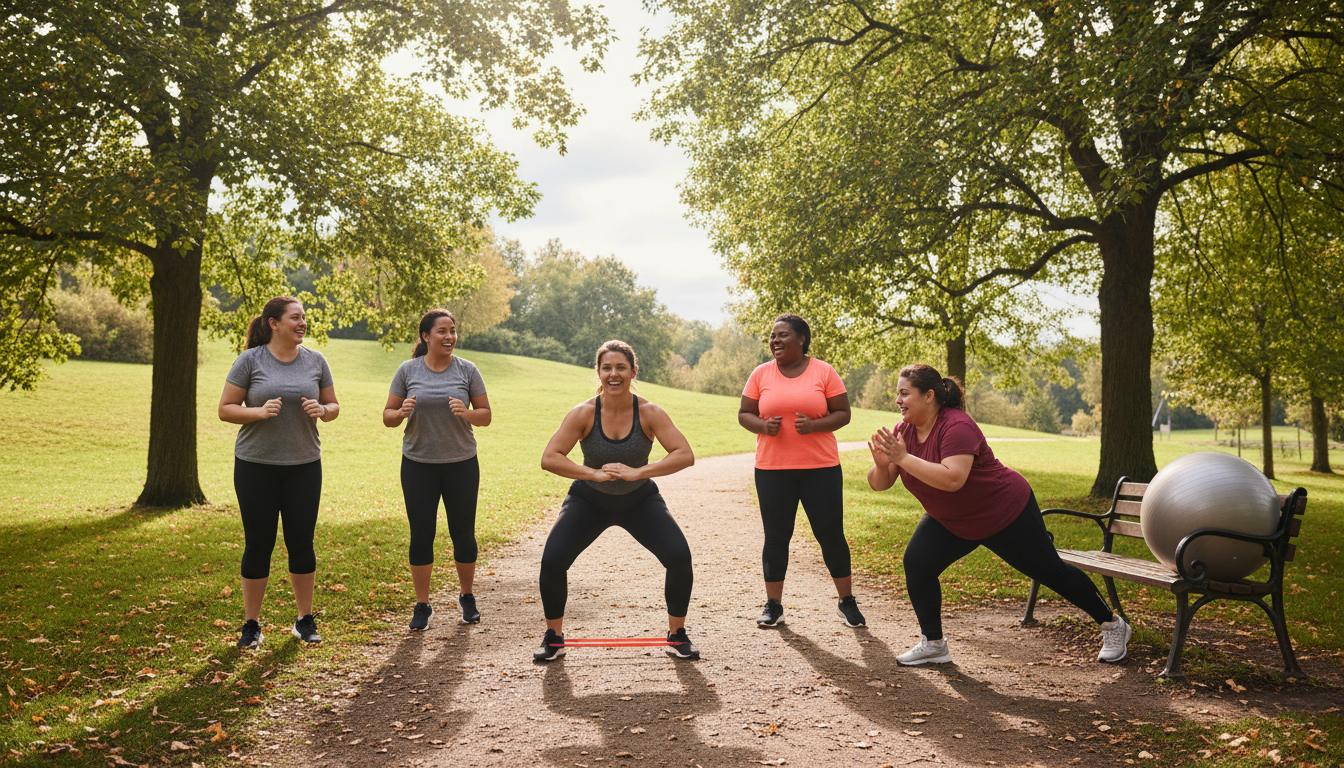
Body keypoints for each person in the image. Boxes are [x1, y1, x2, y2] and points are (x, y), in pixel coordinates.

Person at [866, 363, 1131, 665]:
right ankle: (934, 643)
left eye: (904, 393)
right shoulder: (904, 433)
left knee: (1049, 570)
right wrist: (882, 464)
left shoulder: (957, 426)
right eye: (897, 394)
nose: (898, 400)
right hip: (952, 520)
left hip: (1003, 511)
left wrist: (903, 458)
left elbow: (953, 479)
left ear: (929, 396)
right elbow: (881, 484)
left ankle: (1112, 624)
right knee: (917, 563)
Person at [534, 340, 698, 662]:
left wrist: (639, 472)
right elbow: (549, 457)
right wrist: (591, 474)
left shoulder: (649, 412)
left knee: (679, 557)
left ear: (633, 371)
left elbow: (685, 455)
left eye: (621, 367)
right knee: (553, 560)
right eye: (607, 367)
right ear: (598, 372)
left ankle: (677, 634)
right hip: (589, 500)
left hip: (638, 500)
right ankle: (553, 637)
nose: (613, 374)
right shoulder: (583, 413)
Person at [218, 296, 340, 649]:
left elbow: (333, 405)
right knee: (259, 543)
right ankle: (252, 624)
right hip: (256, 466)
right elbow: (225, 409)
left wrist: (323, 409)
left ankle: (304, 619)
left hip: (304, 465)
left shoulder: (316, 361)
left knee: (301, 542)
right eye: (295, 318)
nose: (302, 323)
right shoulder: (250, 360)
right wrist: (257, 412)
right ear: (274, 323)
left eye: (304, 318)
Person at [738, 313, 866, 629]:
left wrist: (814, 426)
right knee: (777, 537)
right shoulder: (761, 374)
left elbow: (843, 413)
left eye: (782, 335)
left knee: (830, 535)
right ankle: (773, 605)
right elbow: (744, 414)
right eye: (772, 336)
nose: (775, 341)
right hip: (772, 470)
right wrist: (762, 426)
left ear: (801, 340)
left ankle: (846, 601)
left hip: (820, 469)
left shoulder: (824, 372)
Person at [384, 309, 492, 630]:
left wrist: (466, 413)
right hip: (418, 466)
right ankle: (422, 604)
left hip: (461, 464)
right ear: (426, 336)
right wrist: (400, 412)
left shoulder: (467, 370)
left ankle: (467, 597)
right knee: (421, 535)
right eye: (442, 331)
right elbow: (387, 417)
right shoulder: (407, 371)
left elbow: (485, 415)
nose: (449, 337)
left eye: (453, 331)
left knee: (464, 533)